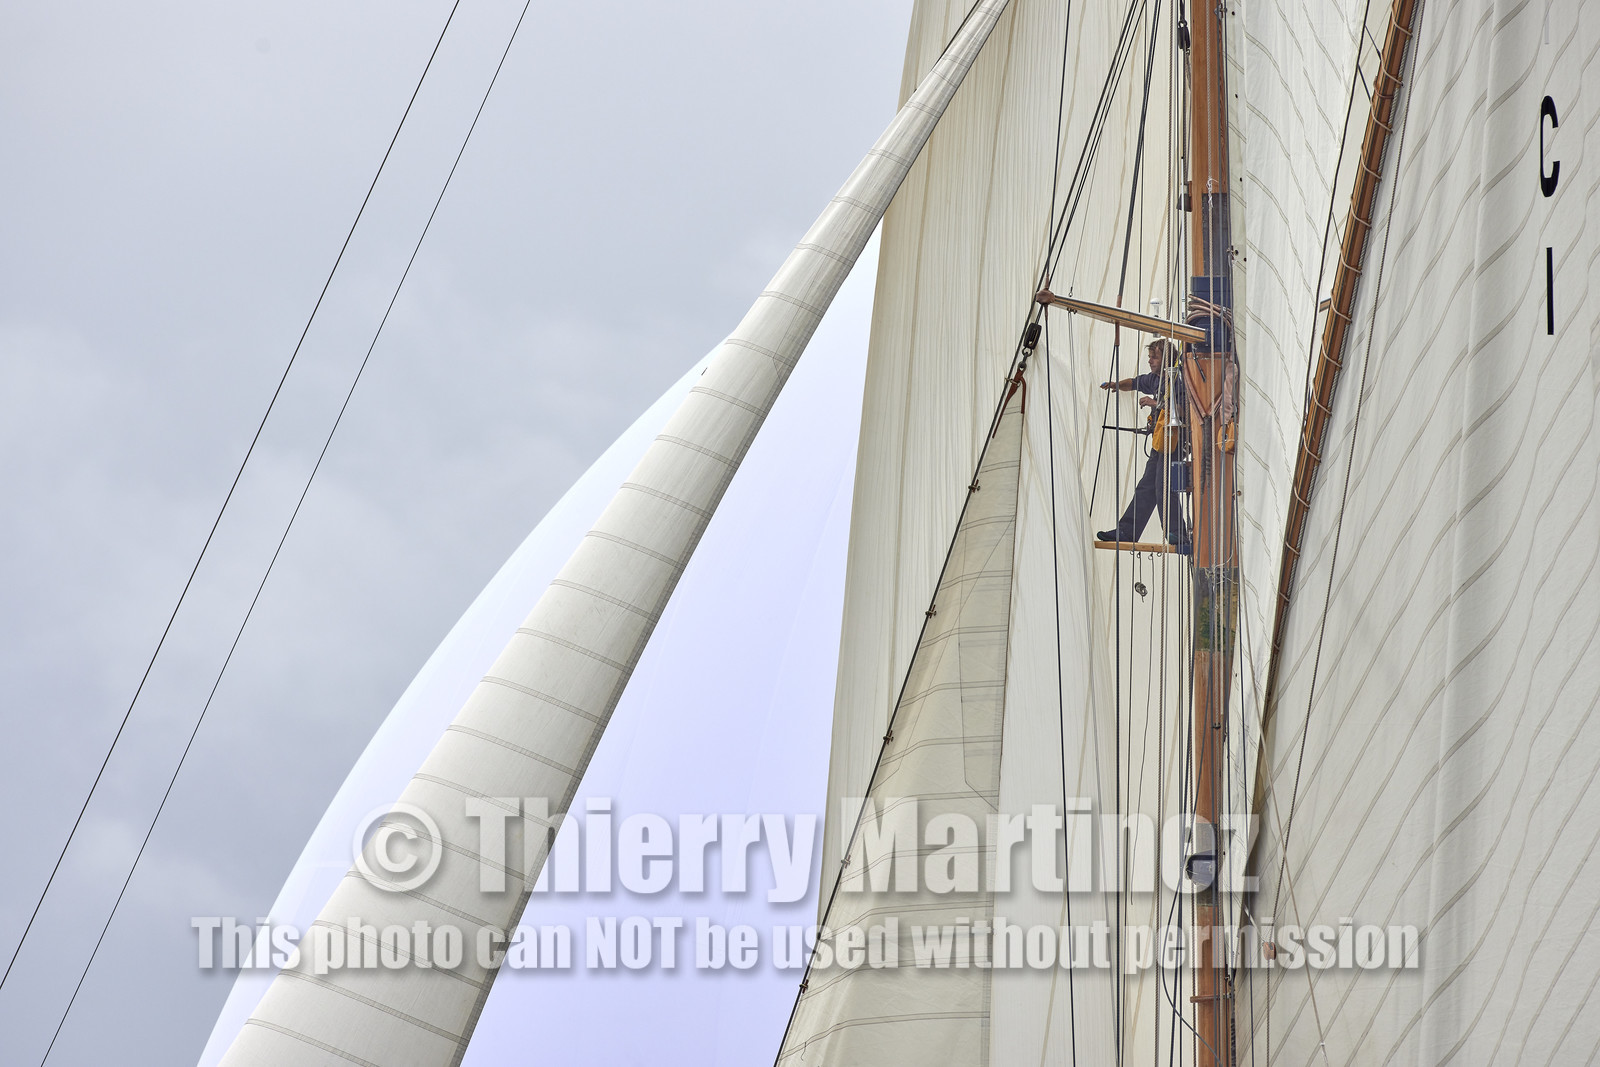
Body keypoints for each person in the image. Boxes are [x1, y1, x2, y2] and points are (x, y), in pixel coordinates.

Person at [1096, 338, 1191, 551]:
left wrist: (1155, 403)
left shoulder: (1179, 380)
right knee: (1146, 487)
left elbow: (1185, 410)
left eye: (1154, 357)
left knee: (1162, 485)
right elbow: (1135, 382)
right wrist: (1116, 385)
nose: (1150, 361)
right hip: (1161, 440)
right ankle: (1127, 531)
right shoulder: (1156, 379)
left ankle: (1178, 532)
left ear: (1166, 358)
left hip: (1176, 441)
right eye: (1149, 357)